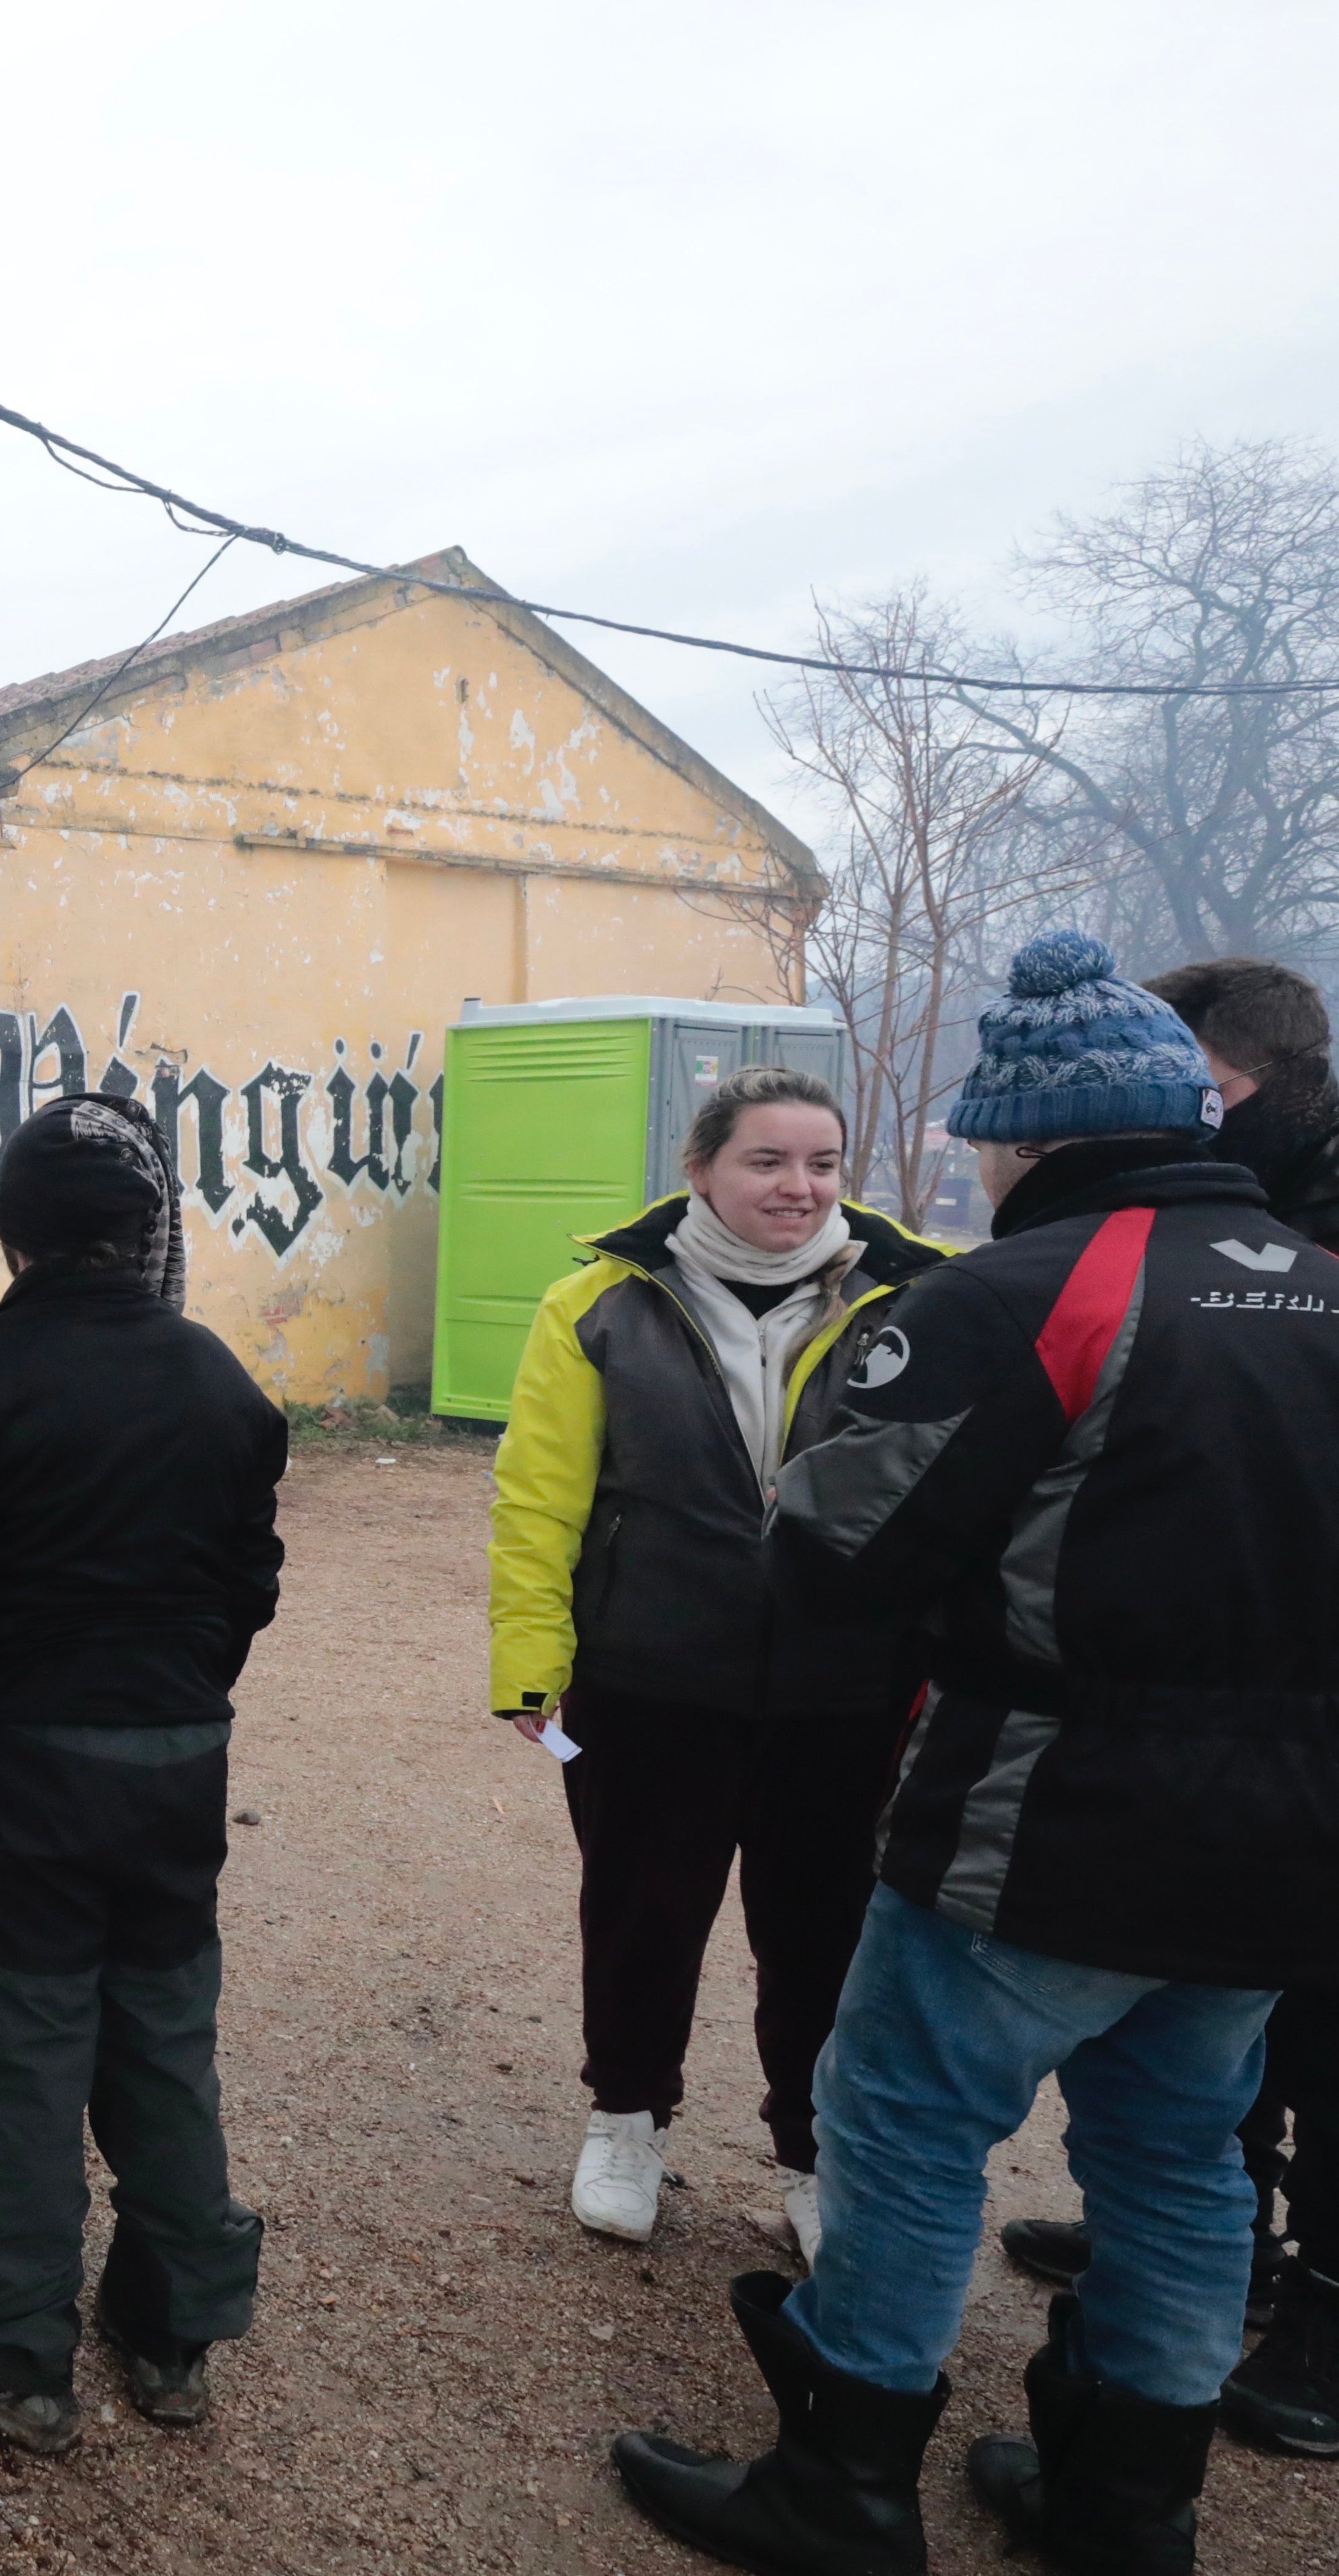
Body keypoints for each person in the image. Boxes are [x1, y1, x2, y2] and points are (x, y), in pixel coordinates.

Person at [615, 930, 1339, 2576]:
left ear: (1030, 1137)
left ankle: (843, 2480)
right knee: (1178, 2152)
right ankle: (1125, 2502)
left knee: (905, 2118)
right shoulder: (1320, 1282)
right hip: (1287, 1843)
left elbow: (825, 1546)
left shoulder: (1018, 1293)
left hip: (1045, 1818)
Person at [0, 1094, 285, 2455]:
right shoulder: (221, 1380)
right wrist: (171, 1699)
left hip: (20, 1764)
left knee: (27, 2052)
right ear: (144, 1228)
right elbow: (242, 1590)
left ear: (10, 1229)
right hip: (170, 1760)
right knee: (163, 2041)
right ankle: (170, 2334)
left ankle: (7, 2344)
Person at [486, 1064, 945, 2258]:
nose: (796, 1186)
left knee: (823, 1932)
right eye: (764, 1159)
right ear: (697, 1168)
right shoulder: (597, 1302)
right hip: (649, 1675)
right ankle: (625, 2115)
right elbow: (539, 1497)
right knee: (641, 1910)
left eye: (819, 1162)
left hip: (841, 1687)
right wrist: (528, 1663)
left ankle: (809, 2149)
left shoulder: (921, 1296)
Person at [1025, 956, 1339, 2458]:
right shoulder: (1253, 1212)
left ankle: (1323, 2317)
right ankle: (1193, 2246)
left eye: (1189, 1096)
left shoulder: (1305, 1240)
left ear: (1245, 1080)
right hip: (1245, 1699)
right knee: (1219, 2006)